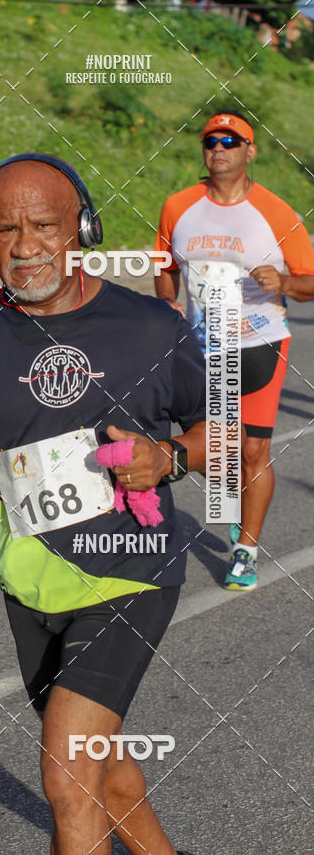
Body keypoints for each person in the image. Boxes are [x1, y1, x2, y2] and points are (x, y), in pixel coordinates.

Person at [0, 153, 205, 855]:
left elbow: (228, 433)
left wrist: (171, 457)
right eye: (5, 229)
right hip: (30, 579)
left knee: (66, 776)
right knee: (104, 765)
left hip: (129, 570)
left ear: (83, 228)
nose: (27, 246)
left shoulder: (152, 329)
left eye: (44, 225)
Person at [154, 110, 314, 591]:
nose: (218, 149)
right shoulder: (178, 206)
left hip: (259, 341)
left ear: (250, 150)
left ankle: (245, 548)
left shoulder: (277, 211)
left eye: (230, 140)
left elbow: (310, 281)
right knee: (211, 448)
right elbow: (165, 268)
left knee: (253, 449)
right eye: (210, 141)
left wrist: (284, 280)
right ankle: (225, 496)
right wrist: (167, 308)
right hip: (199, 348)